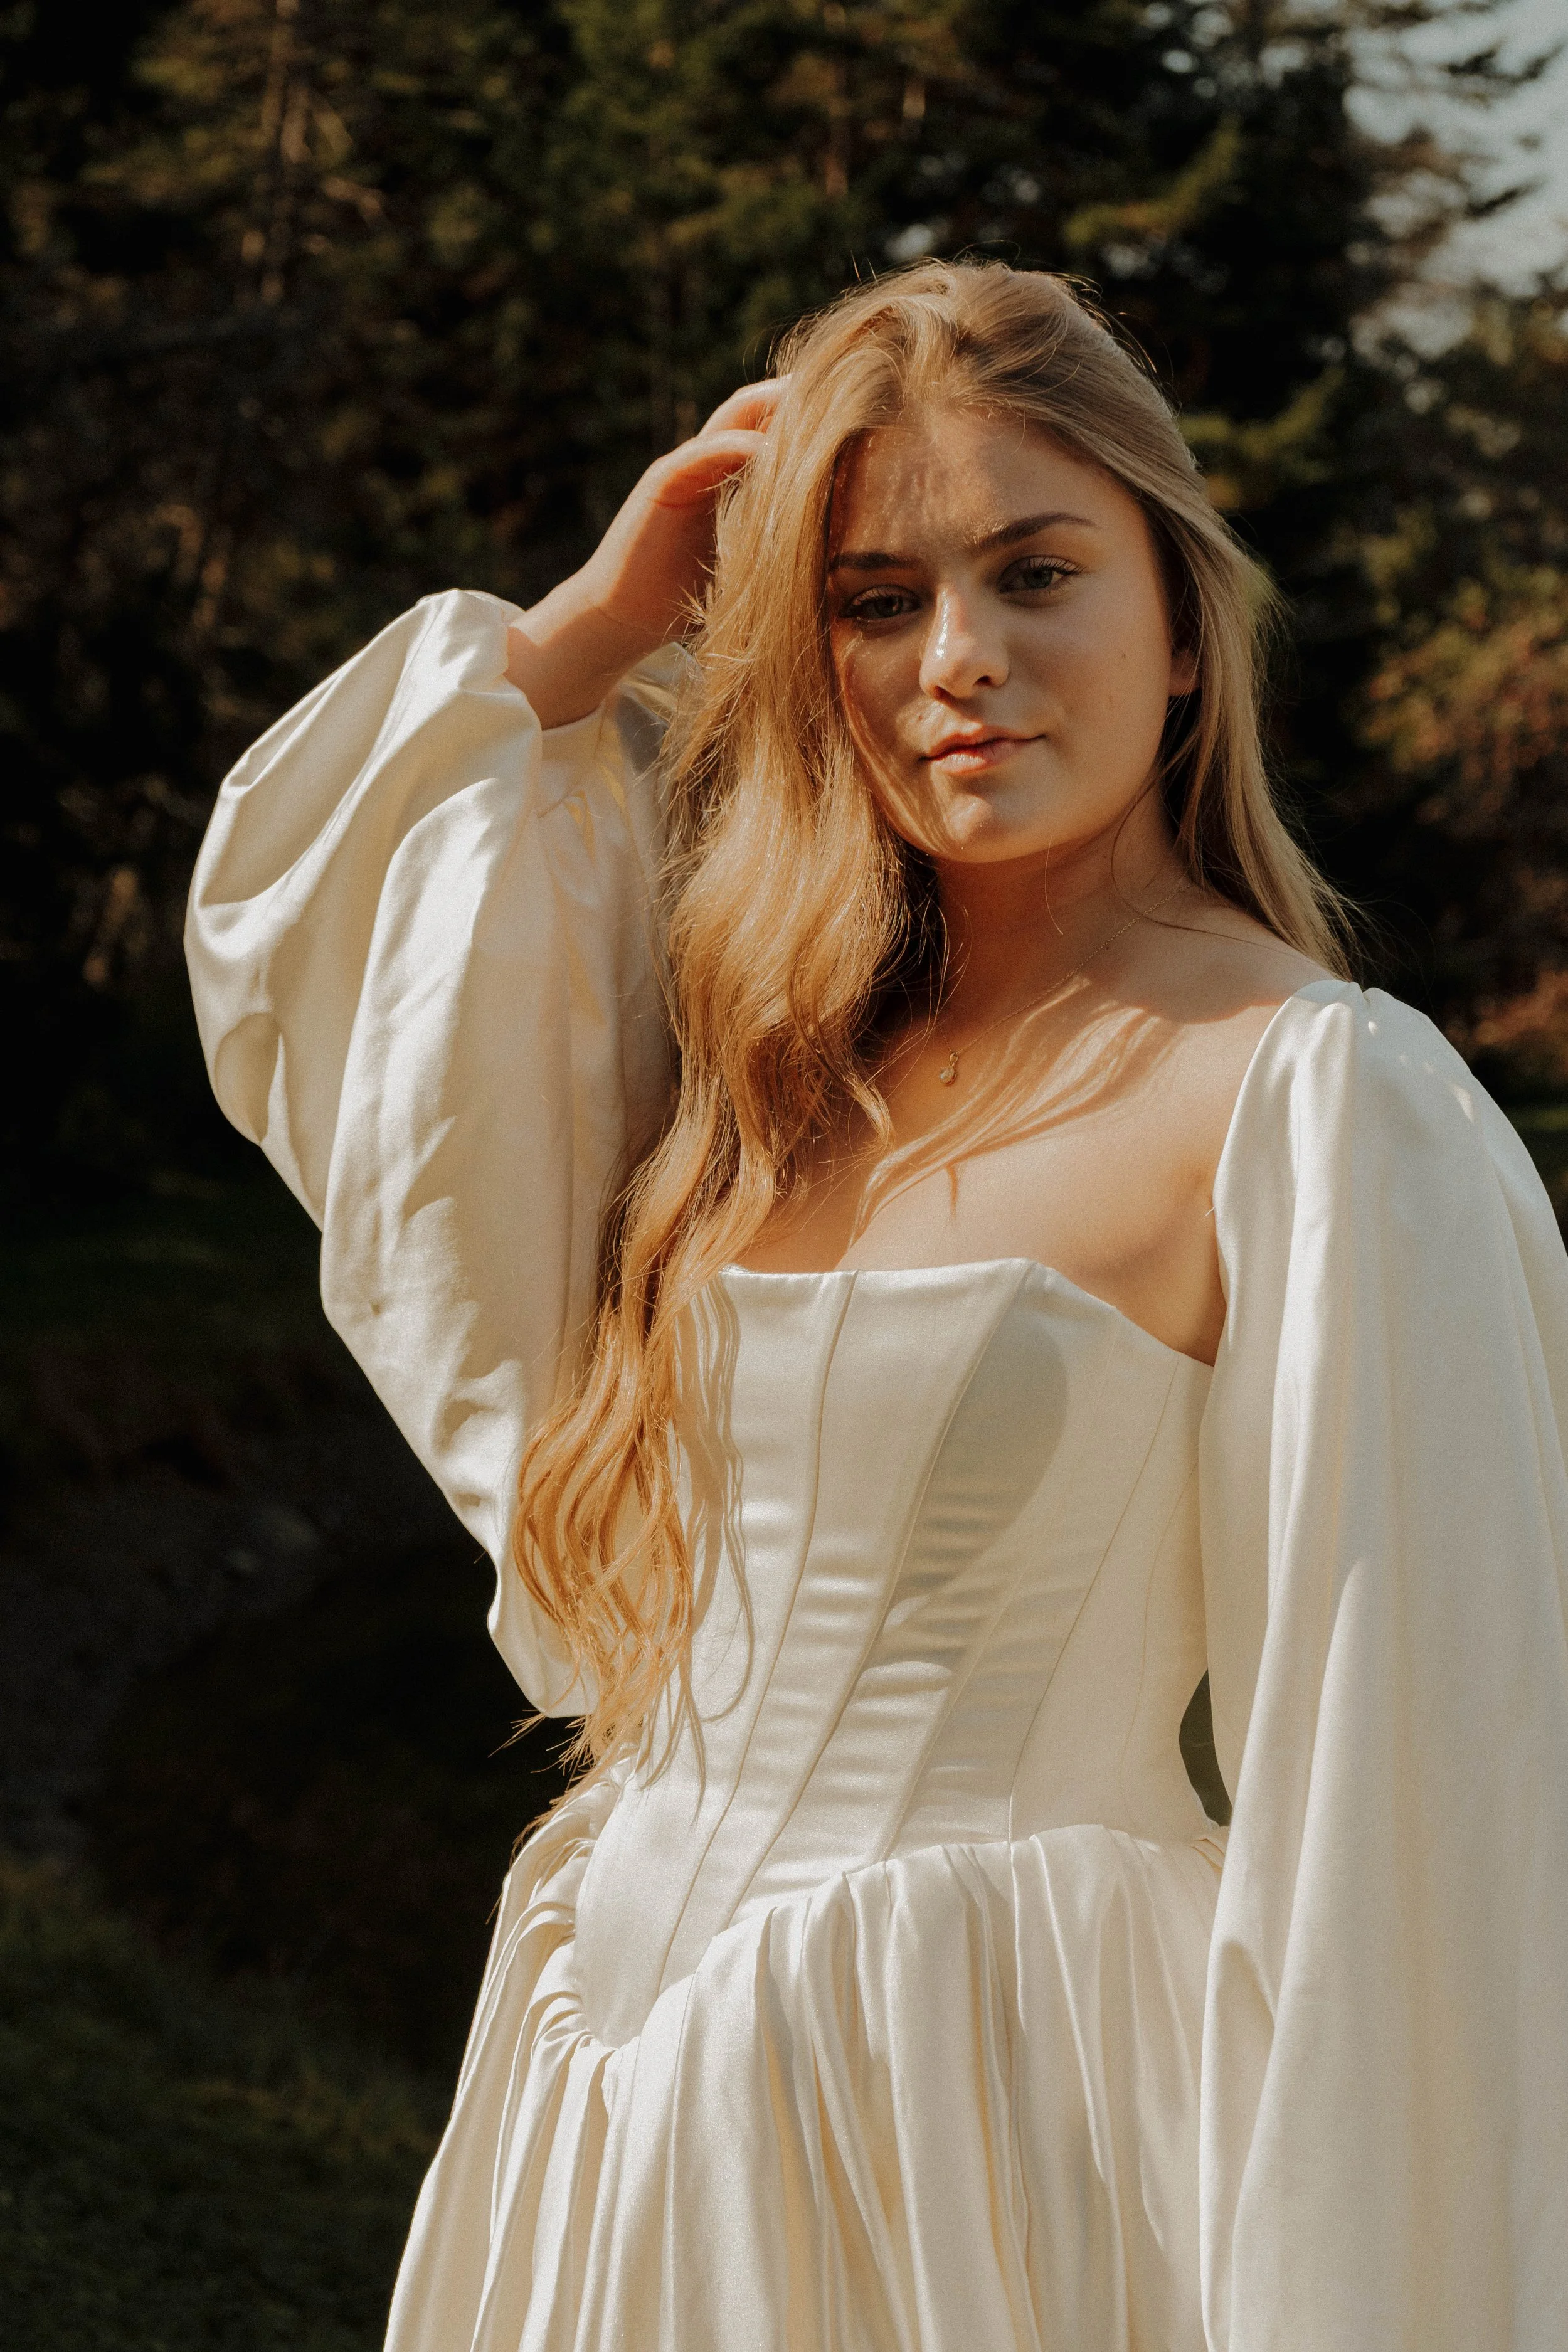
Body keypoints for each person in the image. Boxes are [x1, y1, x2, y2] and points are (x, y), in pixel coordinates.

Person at [186, 263, 1568, 2352]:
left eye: (1034, 573)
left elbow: (1419, 1818)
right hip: (600, 2081)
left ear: (1181, 628)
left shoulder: (1318, 1096)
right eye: (873, 598)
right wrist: (586, 631)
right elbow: (338, 1004)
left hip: (991, 2104)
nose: (960, 663)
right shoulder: (757, 1062)